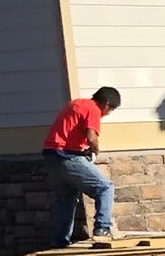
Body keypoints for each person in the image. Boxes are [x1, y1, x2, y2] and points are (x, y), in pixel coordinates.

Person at [44, 87, 122, 246]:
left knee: (66, 199)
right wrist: (94, 152)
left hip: (51, 156)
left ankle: (59, 242)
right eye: (110, 110)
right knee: (105, 188)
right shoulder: (93, 108)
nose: (107, 114)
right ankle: (102, 229)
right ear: (106, 104)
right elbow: (91, 137)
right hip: (67, 156)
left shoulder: (77, 104)